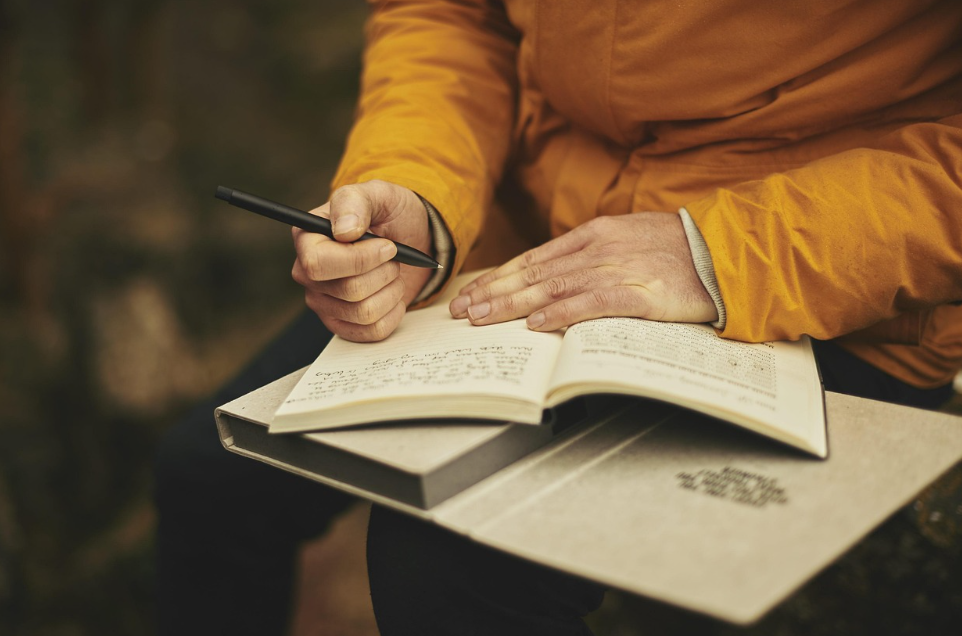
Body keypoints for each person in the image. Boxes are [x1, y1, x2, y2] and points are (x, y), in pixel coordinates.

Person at [155, 1, 962, 634]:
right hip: (524, 244)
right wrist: (420, 189)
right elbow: (450, 14)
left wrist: (724, 251)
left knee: (450, 566)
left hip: (827, 285)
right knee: (211, 474)